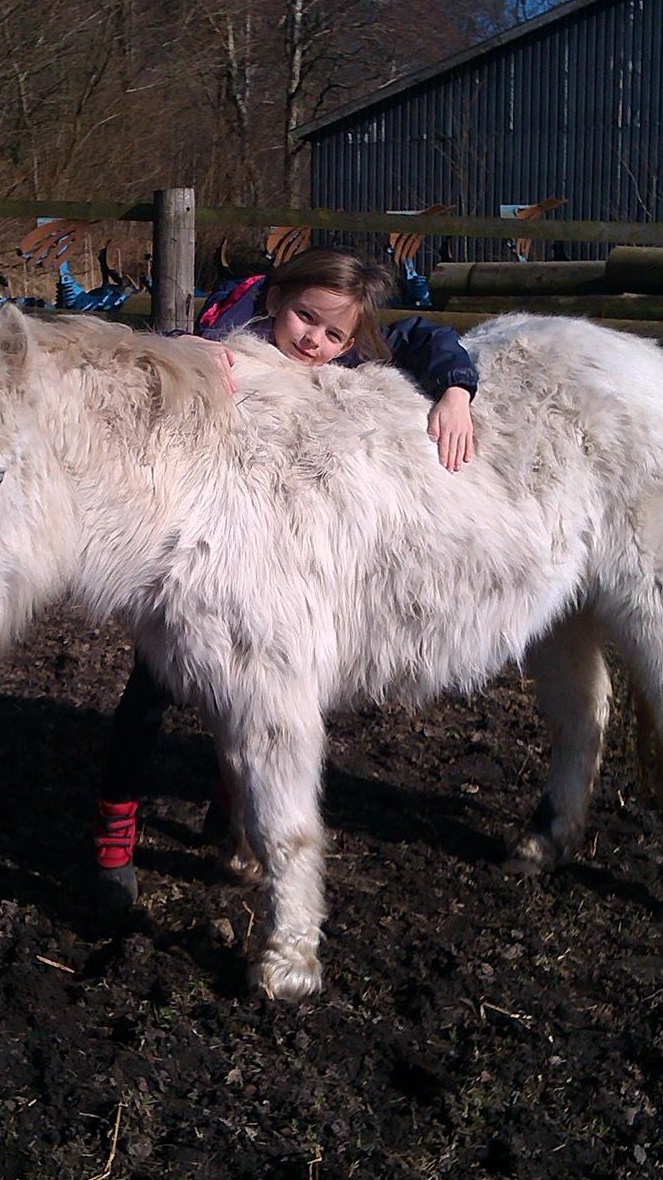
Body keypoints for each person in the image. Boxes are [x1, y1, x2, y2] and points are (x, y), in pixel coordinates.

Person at [94, 245, 479, 906]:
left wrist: (455, 389)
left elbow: (424, 335)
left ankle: (230, 813)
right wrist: (187, 349)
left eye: (336, 333)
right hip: (185, 567)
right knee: (146, 701)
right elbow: (142, 357)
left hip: (262, 562)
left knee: (248, 699)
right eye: (306, 318)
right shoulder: (223, 341)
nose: (315, 341)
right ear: (275, 300)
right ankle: (113, 842)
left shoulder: (341, 354)